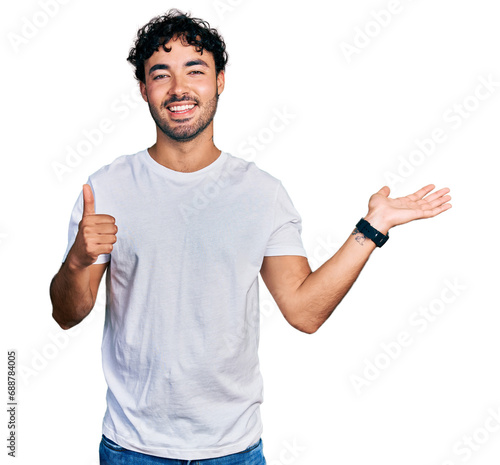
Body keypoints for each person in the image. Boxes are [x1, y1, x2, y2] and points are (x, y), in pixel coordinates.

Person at [49, 8, 452, 465]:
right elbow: (67, 313)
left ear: (220, 81)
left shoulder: (262, 193)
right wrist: (79, 259)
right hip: (132, 447)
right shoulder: (106, 188)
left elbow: (304, 311)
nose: (179, 88)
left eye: (195, 70)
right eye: (161, 74)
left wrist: (371, 228)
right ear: (144, 89)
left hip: (234, 451)